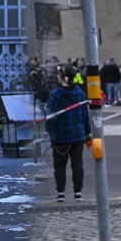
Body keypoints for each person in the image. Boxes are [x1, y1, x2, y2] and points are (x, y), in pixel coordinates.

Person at [45, 65, 91, 202]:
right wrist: (87, 133)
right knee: (77, 165)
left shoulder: (55, 95)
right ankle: (78, 192)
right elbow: (85, 116)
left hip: (60, 136)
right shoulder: (80, 94)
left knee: (59, 165)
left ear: (63, 77)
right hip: (77, 135)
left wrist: (49, 131)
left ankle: (61, 192)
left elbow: (51, 117)